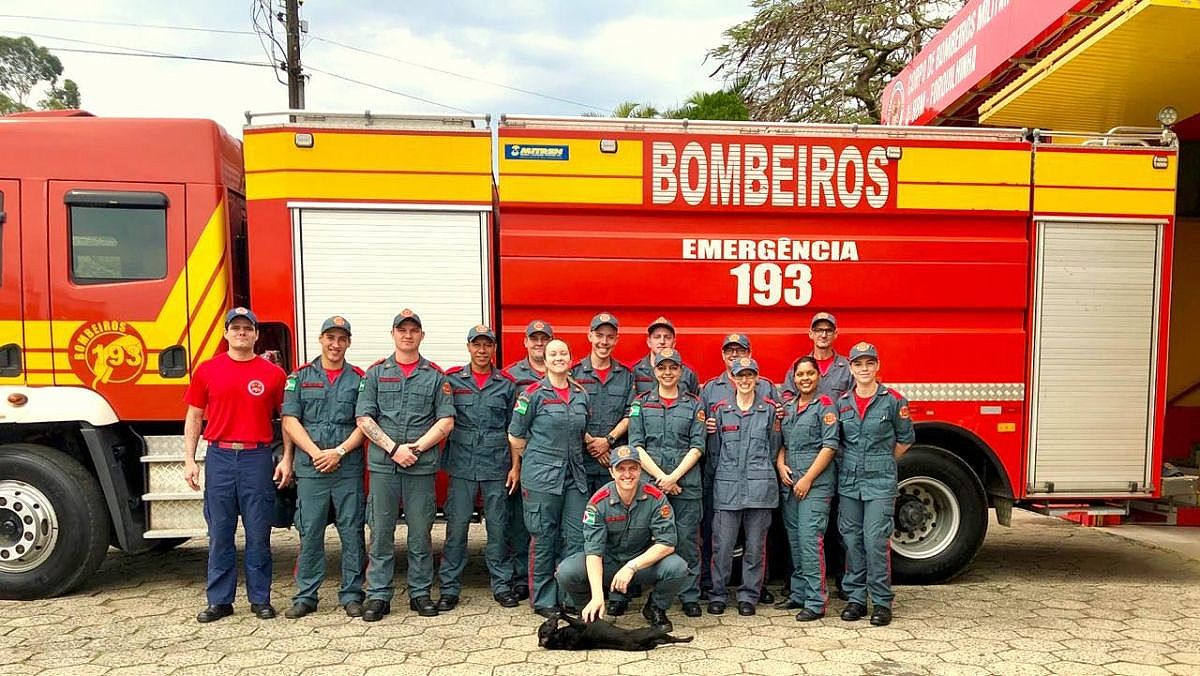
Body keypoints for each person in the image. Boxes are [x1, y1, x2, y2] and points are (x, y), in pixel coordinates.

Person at [183, 307, 290, 623]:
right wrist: (189, 459)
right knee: (220, 533)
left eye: (247, 328)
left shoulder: (273, 374)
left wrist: (287, 458)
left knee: (258, 533)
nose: (241, 333)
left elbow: (287, 419)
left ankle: (260, 599)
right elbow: (194, 416)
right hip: (220, 457)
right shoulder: (207, 370)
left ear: (256, 335)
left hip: (257, 458)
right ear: (226, 333)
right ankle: (220, 600)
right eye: (236, 328)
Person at [355, 309, 456, 620]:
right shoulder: (375, 374)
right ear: (393, 334)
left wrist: (416, 448)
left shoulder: (435, 376)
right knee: (380, 532)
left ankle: (420, 593)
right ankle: (378, 595)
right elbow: (364, 418)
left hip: (421, 466)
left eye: (413, 330)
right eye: (402, 330)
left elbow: (446, 421)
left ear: (422, 336)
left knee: (420, 533)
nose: (407, 335)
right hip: (385, 466)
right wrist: (394, 449)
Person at [280, 315, 367, 619]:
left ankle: (353, 594)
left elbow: (365, 422)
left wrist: (339, 452)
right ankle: (306, 596)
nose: (335, 344)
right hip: (312, 467)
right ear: (320, 339)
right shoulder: (300, 376)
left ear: (348, 343)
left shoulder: (359, 379)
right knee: (310, 531)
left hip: (347, 468)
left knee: (352, 532)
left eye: (342, 339)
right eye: (330, 338)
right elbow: (290, 420)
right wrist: (316, 453)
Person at [555, 447, 692, 632]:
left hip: (641, 564)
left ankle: (655, 608)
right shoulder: (598, 503)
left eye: (633, 468)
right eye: (621, 469)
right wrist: (597, 596)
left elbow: (667, 544)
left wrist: (631, 566)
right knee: (567, 571)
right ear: (611, 472)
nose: (627, 474)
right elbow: (594, 552)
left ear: (640, 470)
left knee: (677, 567)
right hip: (608, 563)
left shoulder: (656, 498)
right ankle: (589, 612)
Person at [437, 325, 519, 609]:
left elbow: (514, 431)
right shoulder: (452, 381)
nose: (482, 350)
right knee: (457, 528)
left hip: (496, 466)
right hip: (462, 465)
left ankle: (502, 585)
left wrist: (515, 466)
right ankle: (449, 588)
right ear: (469, 347)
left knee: (498, 529)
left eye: (487, 345)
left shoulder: (506, 385)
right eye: (477, 344)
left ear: (494, 348)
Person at [507, 338, 591, 617]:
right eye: (553, 353)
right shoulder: (531, 395)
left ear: (571, 359)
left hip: (574, 477)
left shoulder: (580, 394)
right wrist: (532, 459)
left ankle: (569, 596)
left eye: (563, 353)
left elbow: (581, 432)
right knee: (543, 537)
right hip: (541, 478)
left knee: (576, 537)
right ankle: (544, 600)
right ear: (544, 360)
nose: (558, 357)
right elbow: (515, 436)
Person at [836, 342, 914, 627]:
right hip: (849, 483)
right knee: (852, 541)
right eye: (858, 364)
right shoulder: (843, 403)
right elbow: (838, 442)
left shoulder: (893, 401)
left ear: (878, 366)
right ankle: (856, 599)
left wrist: (882, 462)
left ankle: (881, 602)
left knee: (875, 542)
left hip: (880, 482)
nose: (864, 369)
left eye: (869, 363)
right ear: (851, 368)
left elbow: (905, 439)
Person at [698, 332, 779, 603]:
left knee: (755, 547)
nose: (744, 380)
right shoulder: (721, 409)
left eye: (749, 375)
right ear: (733, 378)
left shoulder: (769, 409)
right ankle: (717, 594)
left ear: (756, 377)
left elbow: (774, 447)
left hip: (759, 488)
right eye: (739, 376)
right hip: (727, 487)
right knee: (722, 546)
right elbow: (714, 450)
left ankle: (749, 595)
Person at [626, 348, 706, 618]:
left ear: (681, 371)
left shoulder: (694, 404)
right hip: (650, 485)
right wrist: (662, 478)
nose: (668, 372)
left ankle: (689, 596)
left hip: (686, 485)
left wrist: (673, 478)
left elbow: (697, 446)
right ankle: (629, 592)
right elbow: (636, 445)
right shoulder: (640, 403)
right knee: (638, 540)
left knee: (687, 541)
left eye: (673, 367)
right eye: (662, 368)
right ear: (654, 371)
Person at [775, 356, 839, 621]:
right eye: (800, 374)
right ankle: (798, 593)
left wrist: (808, 478)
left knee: (810, 540)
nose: (805, 379)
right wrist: (780, 465)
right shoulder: (789, 407)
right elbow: (783, 443)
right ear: (794, 378)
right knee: (795, 540)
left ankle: (816, 601)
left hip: (815, 484)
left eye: (810, 374)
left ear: (818, 376)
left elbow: (830, 446)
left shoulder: (825, 406)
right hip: (791, 484)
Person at [500, 319, 554, 602]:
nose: (539, 343)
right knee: (522, 524)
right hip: (525, 460)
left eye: (544, 339)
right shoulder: (512, 376)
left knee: (549, 524)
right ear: (525, 342)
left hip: (554, 463)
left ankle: (551, 576)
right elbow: (512, 428)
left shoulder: (565, 375)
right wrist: (516, 465)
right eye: (534, 338)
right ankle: (522, 578)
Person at [571, 312, 636, 495]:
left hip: (613, 463)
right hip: (580, 462)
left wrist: (608, 441)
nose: (604, 342)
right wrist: (594, 445)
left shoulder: (627, 375)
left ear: (616, 340)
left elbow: (631, 413)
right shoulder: (574, 373)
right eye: (599, 335)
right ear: (590, 336)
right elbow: (569, 412)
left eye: (610, 337)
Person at [780, 312, 853, 402]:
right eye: (818, 330)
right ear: (811, 333)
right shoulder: (799, 365)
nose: (823, 335)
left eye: (829, 330)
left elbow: (856, 398)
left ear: (835, 334)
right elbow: (787, 395)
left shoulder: (848, 367)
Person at [632, 316, 700, 395]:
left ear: (674, 343)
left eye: (667, 337)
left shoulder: (688, 373)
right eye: (657, 337)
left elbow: (696, 400)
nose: (662, 341)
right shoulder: (635, 371)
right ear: (649, 342)